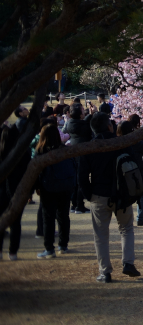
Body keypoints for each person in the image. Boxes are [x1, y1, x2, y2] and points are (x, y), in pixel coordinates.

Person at [78, 113, 143, 283]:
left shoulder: (89, 147)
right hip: (122, 195)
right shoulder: (120, 143)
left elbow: (81, 177)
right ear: (109, 126)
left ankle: (105, 272)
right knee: (126, 229)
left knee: (101, 235)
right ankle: (128, 263)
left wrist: (90, 195)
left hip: (99, 195)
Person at [33, 125, 75, 258]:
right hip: (65, 186)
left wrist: (37, 187)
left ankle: (49, 248)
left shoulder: (41, 151)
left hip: (48, 187)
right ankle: (63, 245)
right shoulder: (64, 150)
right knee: (63, 216)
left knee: (48, 218)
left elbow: (36, 172)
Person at [116, 121, 143, 227]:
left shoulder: (116, 142)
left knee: (123, 193)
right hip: (136, 171)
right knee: (142, 193)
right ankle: (141, 217)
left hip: (121, 172)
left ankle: (124, 217)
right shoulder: (135, 141)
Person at [0, 125, 28, 261]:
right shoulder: (22, 154)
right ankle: (13, 253)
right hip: (17, 191)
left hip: (2, 192)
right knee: (16, 223)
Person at [63, 104, 91, 214]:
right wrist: (92, 115)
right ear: (80, 114)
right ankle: (79, 205)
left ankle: (74, 204)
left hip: (74, 152)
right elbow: (87, 125)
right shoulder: (82, 126)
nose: (84, 112)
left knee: (76, 181)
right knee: (81, 180)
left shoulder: (70, 123)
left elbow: (84, 123)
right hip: (82, 154)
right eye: (83, 110)